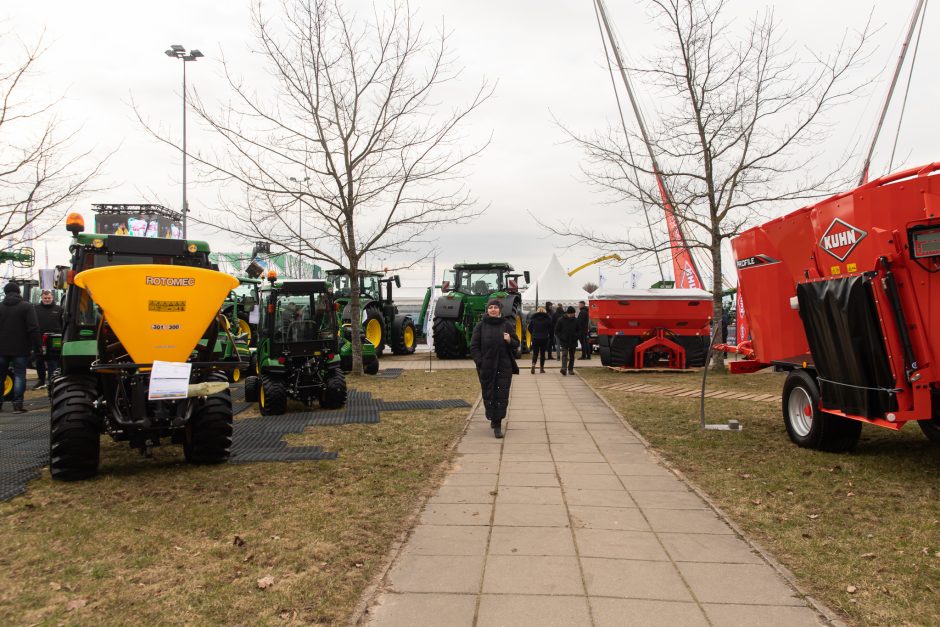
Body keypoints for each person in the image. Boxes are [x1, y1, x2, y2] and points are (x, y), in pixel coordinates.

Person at [470, 299, 519, 438]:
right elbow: (474, 347)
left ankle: (498, 424)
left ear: (500, 310)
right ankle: (492, 417)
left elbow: (516, 343)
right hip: (486, 367)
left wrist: (509, 340)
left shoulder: (507, 325)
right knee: (489, 393)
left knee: (501, 395)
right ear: (487, 310)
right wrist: (480, 362)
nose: (492, 310)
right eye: (490, 307)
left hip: (504, 366)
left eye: (495, 307)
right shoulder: (480, 326)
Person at [0, 282, 42, 412]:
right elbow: (33, 329)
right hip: (20, 348)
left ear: (5, 292)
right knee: (19, 375)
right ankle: (17, 404)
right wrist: (37, 347)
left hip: (1, 349)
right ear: (19, 292)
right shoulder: (26, 307)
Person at [32, 289, 64, 389]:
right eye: (45, 298)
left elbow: (63, 323)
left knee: (54, 360)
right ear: (41, 298)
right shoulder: (35, 309)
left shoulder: (59, 309)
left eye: (49, 298)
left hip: (56, 338)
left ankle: (52, 381)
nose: (47, 300)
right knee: (39, 360)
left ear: (52, 298)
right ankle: (41, 380)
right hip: (40, 338)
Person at [526, 306, 553, 374]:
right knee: (542, 354)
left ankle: (533, 365)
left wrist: (533, 333)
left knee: (535, 353)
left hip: (535, 338)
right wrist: (548, 334)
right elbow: (551, 328)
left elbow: (529, 328)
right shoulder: (547, 319)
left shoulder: (533, 319)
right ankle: (541, 368)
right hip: (544, 338)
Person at [555, 306, 580, 376]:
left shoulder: (576, 320)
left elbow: (579, 330)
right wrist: (561, 337)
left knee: (572, 356)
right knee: (564, 354)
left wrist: (576, 336)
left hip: (573, 340)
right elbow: (557, 330)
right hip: (564, 341)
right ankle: (564, 369)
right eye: (573, 313)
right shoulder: (561, 320)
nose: (574, 314)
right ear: (569, 313)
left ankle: (570, 369)